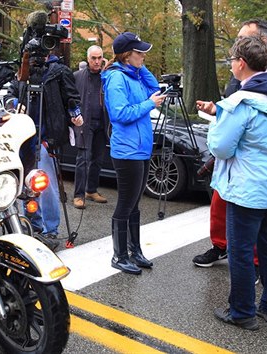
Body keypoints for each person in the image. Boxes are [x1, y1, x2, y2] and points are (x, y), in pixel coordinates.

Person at [202, 36, 267, 330]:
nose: (231, 66)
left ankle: (242, 311)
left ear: (240, 64)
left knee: (241, 250)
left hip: (248, 190)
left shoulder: (241, 103)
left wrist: (216, 121)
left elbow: (221, 148)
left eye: (231, 61)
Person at [193, 19, 267, 272]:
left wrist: (227, 123)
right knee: (220, 207)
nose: (237, 42)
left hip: (252, 165)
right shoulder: (239, 76)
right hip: (234, 163)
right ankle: (220, 246)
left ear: (262, 41)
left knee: (255, 233)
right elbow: (233, 105)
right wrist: (217, 109)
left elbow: (253, 115)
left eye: (242, 37)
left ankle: (250, 282)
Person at [5, 49, 83, 251]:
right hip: (24, 139)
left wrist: (75, 113)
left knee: (46, 187)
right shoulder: (23, 74)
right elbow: (10, 93)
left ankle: (50, 231)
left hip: (47, 138)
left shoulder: (57, 72)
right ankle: (33, 225)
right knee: (27, 186)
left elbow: (71, 97)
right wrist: (14, 104)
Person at [101, 32, 166, 275]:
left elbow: (156, 88)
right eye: (140, 53)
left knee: (134, 205)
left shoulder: (133, 75)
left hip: (140, 149)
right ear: (127, 55)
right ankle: (119, 255)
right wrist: (149, 104)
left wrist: (139, 67)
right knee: (125, 204)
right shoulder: (118, 78)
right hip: (127, 151)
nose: (144, 56)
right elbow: (120, 114)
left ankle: (134, 250)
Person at [72, 45, 108, 209]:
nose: (97, 61)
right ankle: (78, 195)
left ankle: (91, 190)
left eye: (99, 57)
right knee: (83, 160)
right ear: (88, 59)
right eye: (93, 58)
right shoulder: (77, 76)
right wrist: (73, 116)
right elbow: (70, 98)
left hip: (102, 122)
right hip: (85, 123)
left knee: (98, 159)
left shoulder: (106, 76)